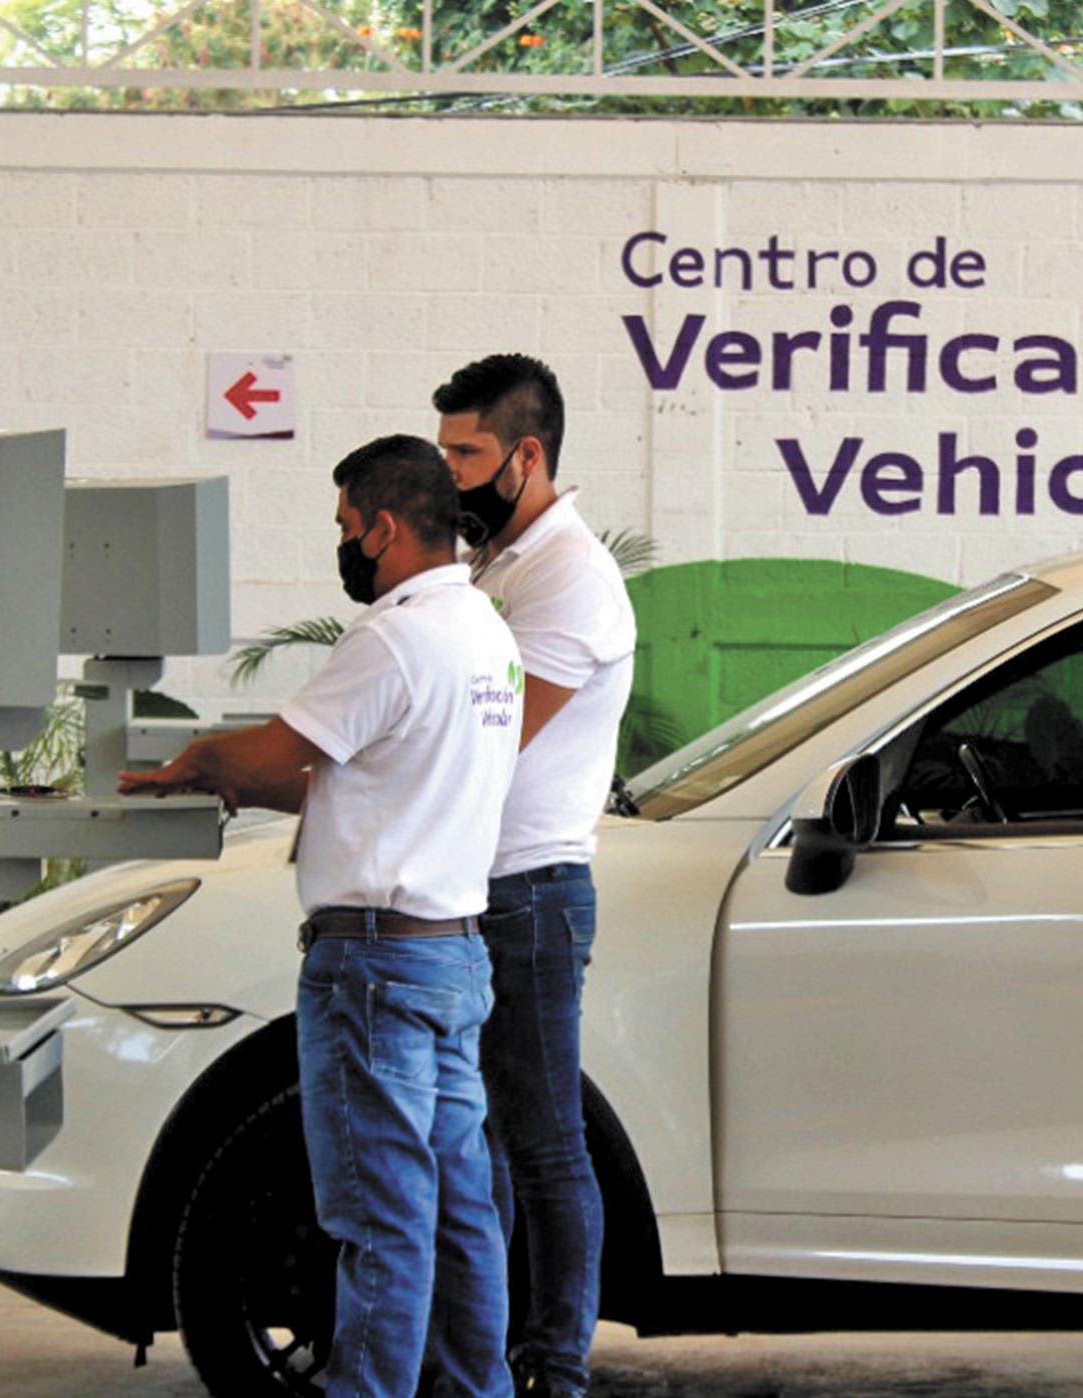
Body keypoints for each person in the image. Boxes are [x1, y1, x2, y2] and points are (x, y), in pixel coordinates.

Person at [120, 434, 521, 1398]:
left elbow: (266, 756)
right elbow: (378, 780)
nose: (343, 543)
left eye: (346, 525)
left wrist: (194, 765)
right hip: (453, 958)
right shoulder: (485, 633)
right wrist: (246, 782)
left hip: (376, 971)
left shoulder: (393, 638)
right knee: (459, 1212)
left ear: (383, 528)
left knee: (382, 1218)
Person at [433, 355, 637, 1398]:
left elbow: (489, 737)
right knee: (492, 1148)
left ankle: (555, 1369)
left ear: (526, 454)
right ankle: (494, 1360)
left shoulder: (568, 577)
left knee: (546, 1146)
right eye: (442, 453)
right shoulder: (497, 565)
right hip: (481, 893)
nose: (448, 476)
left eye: (465, 454)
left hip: (530, 892)